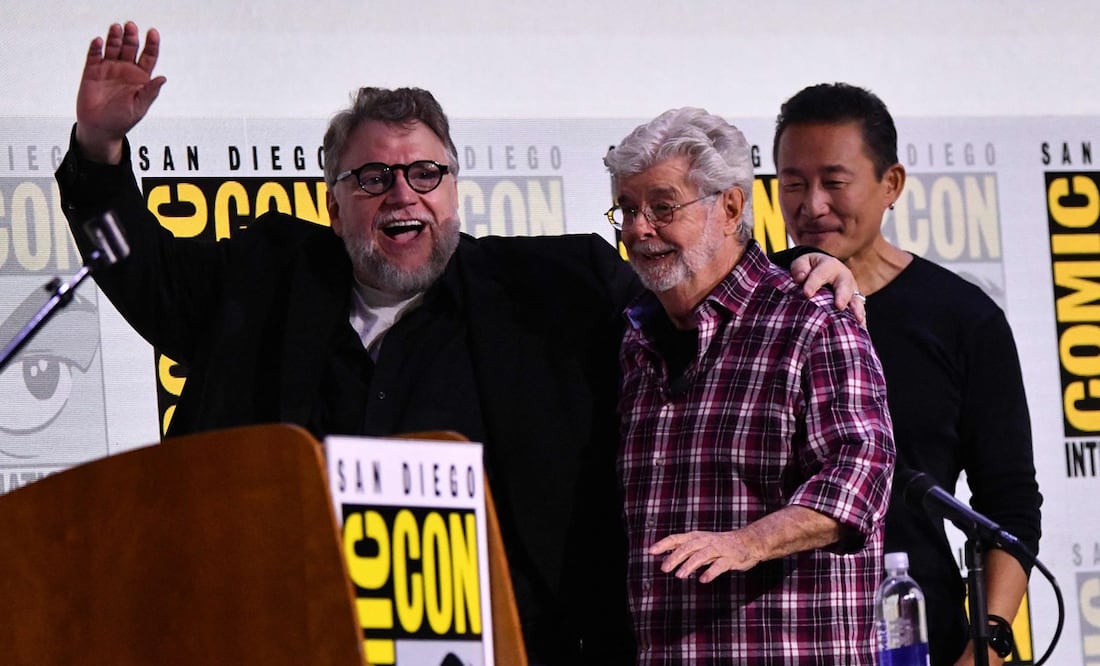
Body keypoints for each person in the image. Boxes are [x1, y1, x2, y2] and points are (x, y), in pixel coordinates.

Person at [56, 22, 861, 665]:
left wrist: (799, 264)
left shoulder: (553, 286)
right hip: (290, 633)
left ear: (455, 188)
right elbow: (142, 271)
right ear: (334, 205)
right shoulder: (268, 281)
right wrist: (98, 152)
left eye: (426, 174)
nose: (402, 194)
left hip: (504, 645)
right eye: (372, 179)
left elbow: (690, 274)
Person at [604, 107, 895, 664]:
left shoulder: (814, 321)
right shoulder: (632, 340)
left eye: (663, 207)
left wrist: (748, 543)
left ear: (731, 206)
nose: (639, 229)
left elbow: (861, 475)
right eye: (628, 209)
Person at [773, 82, 1043, 666]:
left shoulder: (964, 319)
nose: (812, 205)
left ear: (890, 184)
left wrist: (988, 639)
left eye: (834, 182)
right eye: (792, 183)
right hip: (770, 628)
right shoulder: (746, 300)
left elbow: (1010, 505)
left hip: (911, 629)